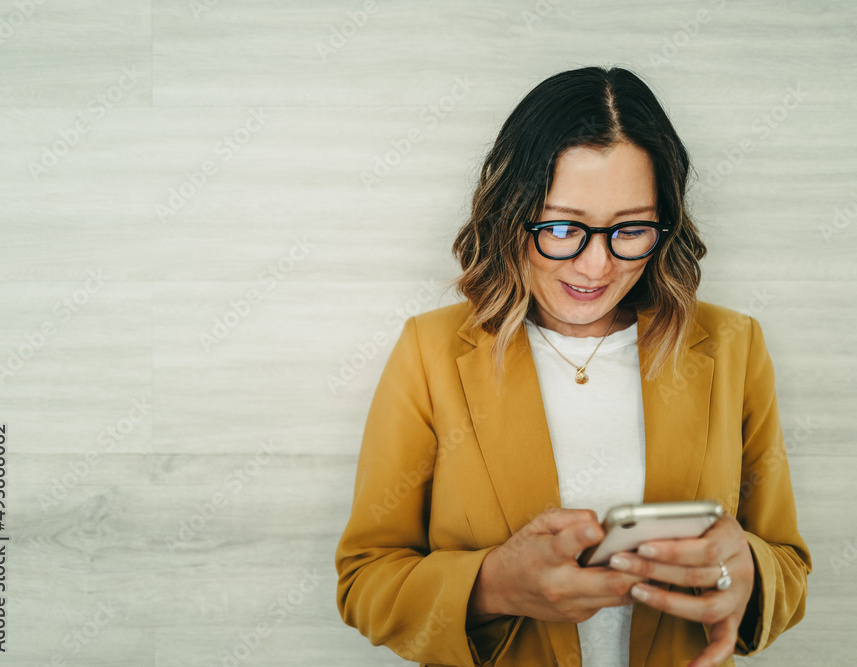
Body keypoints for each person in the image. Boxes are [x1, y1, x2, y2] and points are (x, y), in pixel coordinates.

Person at [335, 66, 811, 667]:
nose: (595, 267)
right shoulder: (430, 352)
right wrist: (495, 585)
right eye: (562, 228)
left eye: (631, 229)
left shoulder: (732, 345)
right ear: (512, 215)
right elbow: (365, 581)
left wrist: (750, 571)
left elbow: (788, 566)